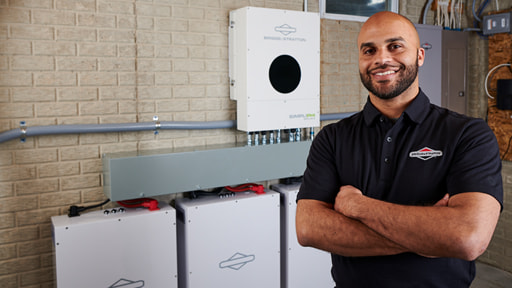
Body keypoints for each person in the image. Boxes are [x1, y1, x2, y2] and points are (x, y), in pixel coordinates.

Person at [295, 11, 503, 288]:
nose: (381, 59)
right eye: (369, 50)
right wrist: (430, 237)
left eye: (395, 46)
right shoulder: (332, 138)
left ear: (419, 56)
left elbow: (467, 238)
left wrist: (358, 206)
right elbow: (309, 228)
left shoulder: (468, 135)